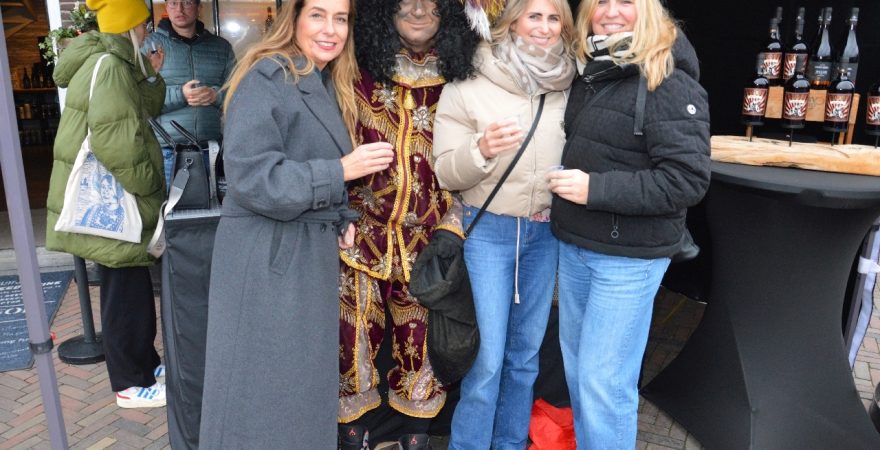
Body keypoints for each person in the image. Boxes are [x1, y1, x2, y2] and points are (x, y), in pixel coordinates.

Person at [197, 0, 394, 447]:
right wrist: (341, 172)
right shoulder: (267, 78)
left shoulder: (319, 79)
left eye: (340, 19)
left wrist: (339, 215)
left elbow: (302, 157)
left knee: (290, 394)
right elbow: (253, 177)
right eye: (318, 15)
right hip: (267, 260)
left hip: (298, 256)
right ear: (295, 19)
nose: (330, 29)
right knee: (261, 396)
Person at [546, 0, 711, 447]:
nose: (611, 11)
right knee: (580, 375)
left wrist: (595, 189)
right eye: (601, 1)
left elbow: (687, 180)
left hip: (627, 260)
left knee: (604, 384)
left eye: (626, 2)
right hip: (577, 246)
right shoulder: (593, 70)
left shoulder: (668, 79)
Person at [432, 0, 575, 447]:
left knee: (525, 359)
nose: (545, 27)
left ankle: (510, 443)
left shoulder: (572, 83)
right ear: (512, 21)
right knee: (488, 361)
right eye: (534, 16)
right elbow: (446, 172)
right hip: (488, 232)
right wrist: (481, 149)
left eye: (554, 17)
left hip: (545, 233)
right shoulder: (468, 82)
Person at [336, 0, 478, 447]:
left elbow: (477, 159)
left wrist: (453, 227)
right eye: (405, 0)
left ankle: (415, 438)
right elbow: (326, 144)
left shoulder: (466, 76)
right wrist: (338, 211)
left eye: (430, 1)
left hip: (431, 240)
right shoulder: (351, 71)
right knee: (350, 341)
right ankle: (353, 436)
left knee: (423, 344)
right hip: (360, 235)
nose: (418, 9)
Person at [45, 0, 167, 408]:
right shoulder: (112, 65)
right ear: (129, 25)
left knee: (129, 288)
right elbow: (116, 143)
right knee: (124, 295)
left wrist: (151, 72)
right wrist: (150, 186)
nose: (147, 31)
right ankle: (130, 384)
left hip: (113, 203)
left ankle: (145, 365)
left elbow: (144, 108)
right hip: (117, 202)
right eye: (143, 24)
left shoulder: (112, 59)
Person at [142, 0, 236, 187]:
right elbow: (139, 99)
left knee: (213, 206)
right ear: (166, 7)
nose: (179, 9)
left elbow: (238, 94)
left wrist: (215, 96)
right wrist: (181, 95)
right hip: (165, 152)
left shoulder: (221, 47)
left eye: (186, 3)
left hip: (212, 151)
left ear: (199, 7)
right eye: (173, 3)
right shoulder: (149, 46)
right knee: (168, 206)